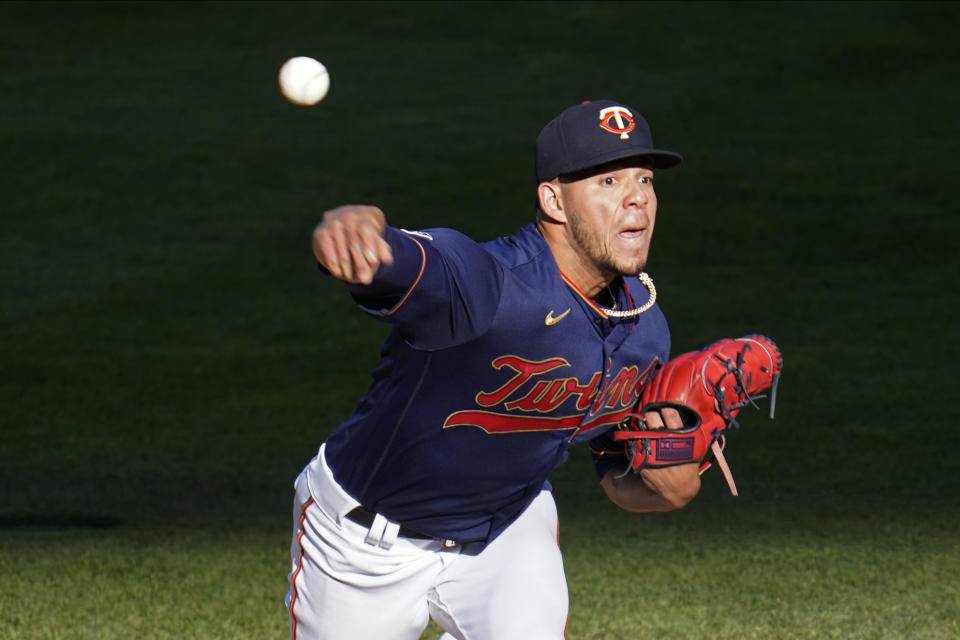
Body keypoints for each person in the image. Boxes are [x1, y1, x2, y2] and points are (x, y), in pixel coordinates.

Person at [285, 99, 702, 640]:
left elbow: (617, 475)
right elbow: (413, 263)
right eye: (607, 182)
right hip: (361, 544)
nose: (637, 200)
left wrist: (669, 490)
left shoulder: (644, 330)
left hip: (506, 530)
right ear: (553, 200)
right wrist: (353, 233)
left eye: (644, 180)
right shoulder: (489, 283)